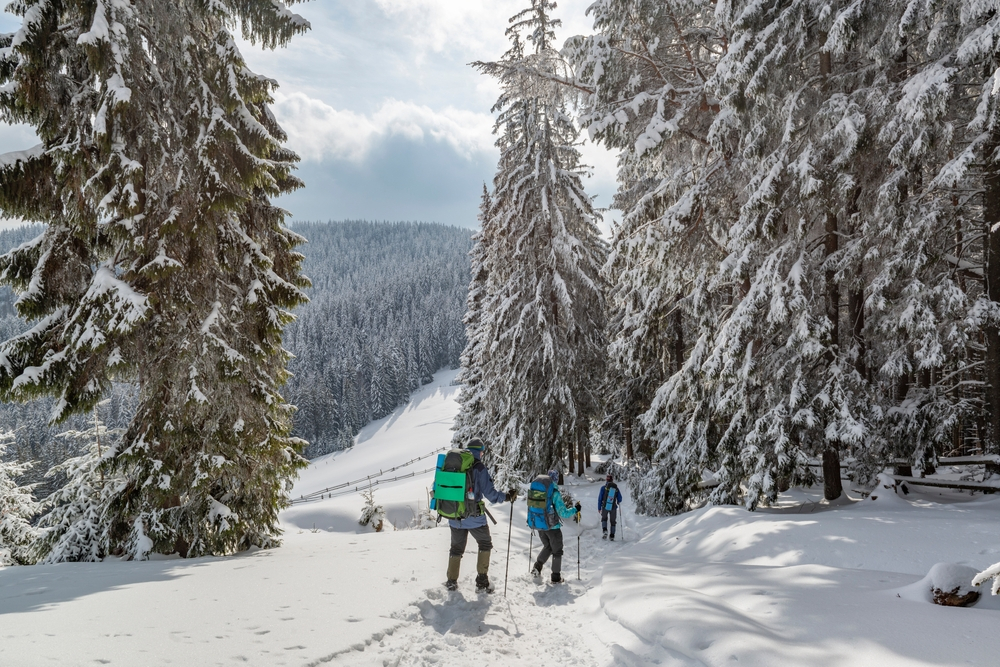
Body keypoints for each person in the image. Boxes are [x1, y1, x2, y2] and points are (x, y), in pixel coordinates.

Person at [444, 437, 516, 593]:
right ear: (480, 452)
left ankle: (451, 581)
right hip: (474, 517)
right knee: (485, 543)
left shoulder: (455, 465)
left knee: (456, 548)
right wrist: (507, 497)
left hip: (454, 515)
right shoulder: (479, 467)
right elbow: (491, 495)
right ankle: (482, 581)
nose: (483, 455)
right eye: (482, 452)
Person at [527, 469, 581, 584]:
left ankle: (537, 567)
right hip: (553, 528)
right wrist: (575, 509)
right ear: (555, 479)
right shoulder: (554, 493)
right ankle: (556, 577)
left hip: (540, 525)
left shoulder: (541, 490)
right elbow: (563, 513)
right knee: (557, 551)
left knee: (548, 547)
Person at [598, 473, 624, 541]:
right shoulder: (616, 488)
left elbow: (600, 498)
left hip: (605, 506)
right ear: (612, 480)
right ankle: (612, 535)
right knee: (613, 521)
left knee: (604, 519)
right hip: (613, 507)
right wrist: (617, 501)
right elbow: (620, 499)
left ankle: (605, 531)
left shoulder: (603, 488)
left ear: (606, 480)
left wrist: (599, 507)